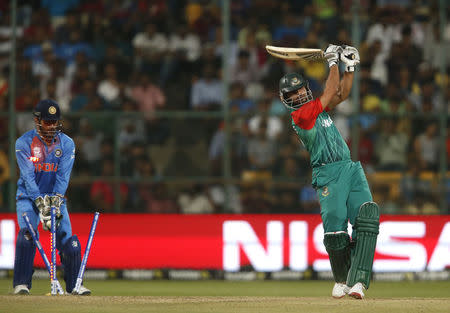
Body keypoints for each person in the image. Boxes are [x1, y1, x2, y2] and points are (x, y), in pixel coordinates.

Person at [278, 45, 379, 299]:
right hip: (327, 173)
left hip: (349, 167)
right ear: (286, 98)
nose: (298, 93)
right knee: (335, 228)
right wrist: (333, 61)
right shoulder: (300, 115)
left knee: (367, 217)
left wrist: (351, 67)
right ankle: (341, 279)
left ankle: (358, 282)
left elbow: (341, 93)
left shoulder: (318, 106)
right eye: (292, 92)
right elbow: (331, 89)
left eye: (300, 88)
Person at [13, 99, 90, 295]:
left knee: (70, 241)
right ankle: (21, 284)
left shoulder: (67, 144)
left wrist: (54, 202)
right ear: (37, 121)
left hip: (55, 199)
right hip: (29, 198)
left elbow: (63, 177)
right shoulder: (23, 143)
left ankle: (75, 285)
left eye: (55, 121)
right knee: (27, 235)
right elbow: (28, 177)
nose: (52, 126)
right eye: (47, 122)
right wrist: (40, 203)